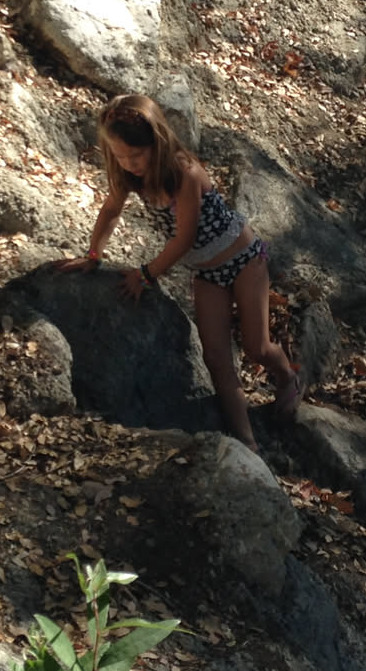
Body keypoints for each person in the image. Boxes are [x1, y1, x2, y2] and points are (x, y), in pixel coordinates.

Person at [60, 94, 304, 448]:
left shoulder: (184, 172)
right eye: (120, 156)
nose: (128, 164)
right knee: (216, 357)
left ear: (156, 143)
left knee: (257, 347)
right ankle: (247, 442)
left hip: (245, 259)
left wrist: (146, 274)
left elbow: (184, 237)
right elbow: (111, 209)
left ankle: (287, 377)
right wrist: (94, 254)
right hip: (207, 273)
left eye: (136, 155)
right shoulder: (129, 175)